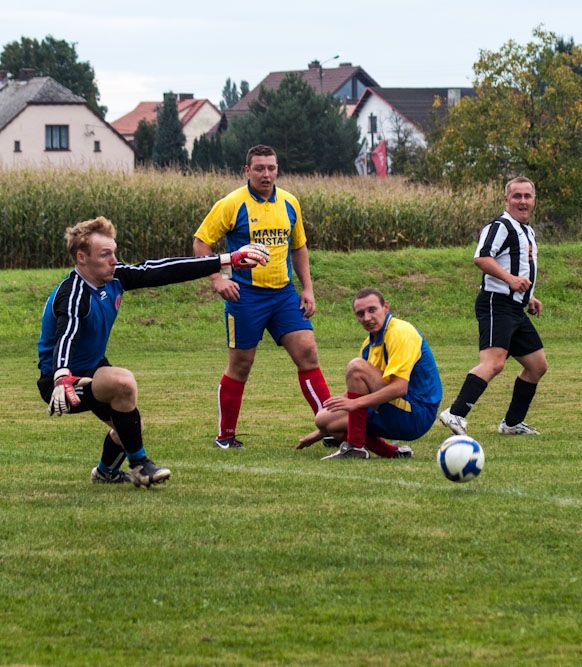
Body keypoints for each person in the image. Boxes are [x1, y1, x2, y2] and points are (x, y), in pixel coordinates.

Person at [38, 216, 269, 487]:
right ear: (81, 257)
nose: (114, 260)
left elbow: (164, 270)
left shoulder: (114, 279)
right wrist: (62, 376)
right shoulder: (73, 294)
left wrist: (226, 259)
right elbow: (66, 333)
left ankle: (106, 473)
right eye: (105, 254)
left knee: (130, 425)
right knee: (123, 383)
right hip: (60, 382)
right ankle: (140, 466)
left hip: (92, 370)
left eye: (114, 252)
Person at [193, 144, 332, 449]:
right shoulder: (232, 203)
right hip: (245, 296)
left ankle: (331, 427)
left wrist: (307, 288)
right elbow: (201, 243)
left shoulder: (290, 203)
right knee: (241, 365)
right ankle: (225, 437)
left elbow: (299, 247)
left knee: (307, 353)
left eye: (271, 168)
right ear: (247, 171)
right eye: (259, 168)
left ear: (277, 169)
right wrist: (218, 279)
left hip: (283, 295)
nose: (266, 174)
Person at [438, 176, 549, 437]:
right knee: (494, 363)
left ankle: (511, 424)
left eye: (527, 196)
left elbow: (517, 266)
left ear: (534, 200)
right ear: (506, 199)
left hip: (515, 308)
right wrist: (510, 281)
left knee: (537, 366)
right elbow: (482, 258)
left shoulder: (527, 230)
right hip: (495, 304)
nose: (522, 201)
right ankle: (455, 413)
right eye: (517, 196)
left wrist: (528, 297)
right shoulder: (501, 226)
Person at [296, 288, 442, 459]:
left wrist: (355, 404)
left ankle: (354, 446)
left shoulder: (400, 332)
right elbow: (358, 389)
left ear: (385, 307)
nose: (366, 318)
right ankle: (393, 453)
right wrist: (321, 431)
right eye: (360, 314)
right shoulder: (369, 344)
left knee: (356, 367)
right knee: (324, 419)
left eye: (372, 310)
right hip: (397, 408)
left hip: (417, 412)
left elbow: (400, 388)